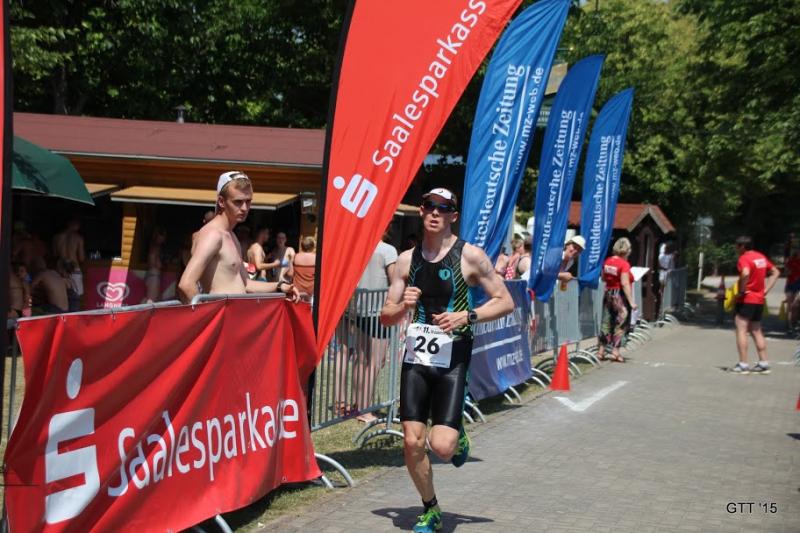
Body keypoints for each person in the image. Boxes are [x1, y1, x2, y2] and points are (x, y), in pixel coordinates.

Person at [380, 188, 513, 533]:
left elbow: (505, 301)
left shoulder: (470, 256)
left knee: (442, 446)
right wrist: (403, 306)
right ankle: (431, 509)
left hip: (454, 357)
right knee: (411, 441)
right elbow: (386, 315)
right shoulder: (406, 260)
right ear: (421, 211)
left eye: (444, 208)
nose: (435, 212)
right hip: (417, 358)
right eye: (429, 206)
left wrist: (466, 316)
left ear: (454, 215)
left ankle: (458, 434)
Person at [177, 171, 299, 303]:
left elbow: (247, 284)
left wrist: (280, 286)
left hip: (236, 312)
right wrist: (209, 314)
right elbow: (186, 284)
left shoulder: (230, 235)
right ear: (221, 201)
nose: (245, 208)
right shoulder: (213, 234)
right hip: (222, 313)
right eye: (238, 202)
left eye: (248, 201)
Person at [353, 229, 397, 423]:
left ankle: (359, 405)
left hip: (360, 308)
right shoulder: (388, 250)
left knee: (362, 360)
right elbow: (396, 282)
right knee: (375, 362)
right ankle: (365, 410)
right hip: (379, 311)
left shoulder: (359, 248)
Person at [729, 236, 780, 374]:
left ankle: (743, 364)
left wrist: (741, 291)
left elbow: (745, 273)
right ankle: (764, 363)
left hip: (746, 299)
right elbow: (776, 272)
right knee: (756, 330)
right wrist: (766, 290)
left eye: (737, 246)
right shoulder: (760, 257)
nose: (736, 249)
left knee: (741, 329)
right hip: (758, 300)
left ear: (742, 246)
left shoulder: (744, 258)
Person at [597, 237, 637, 363]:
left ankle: (601, 350)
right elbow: (624, 283)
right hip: (619, 296)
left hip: (608, 293)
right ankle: (615, 351)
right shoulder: (624, 264)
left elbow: (603, 278)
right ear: (627, 250)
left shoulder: (607, 261)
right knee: (621, 323)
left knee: (606, 321)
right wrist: (631, 302)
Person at [52, 218, 86, 299]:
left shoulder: (56, 237)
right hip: (74, 268)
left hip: (61, 269)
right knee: (76, 295)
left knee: (61, 295)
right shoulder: (78, 238)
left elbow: (55, 255)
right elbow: (81, 258)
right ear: (76, 226)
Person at [144, 227, 166, 303]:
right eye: (163, 235)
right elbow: (153, 262)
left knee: (153, 300)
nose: (164, 238)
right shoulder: (155, 248)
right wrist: (160, 264)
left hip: (153, 275)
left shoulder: (154, 247)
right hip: (154, 275)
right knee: (151, 301)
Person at [783, 249, 800, 329]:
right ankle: (789, 325)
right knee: (790, 306)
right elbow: (786, 273)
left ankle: (794, 322)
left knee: (796, 305)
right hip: (790, 284)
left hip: (798, 285)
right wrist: (788, 271)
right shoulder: (791, 261)